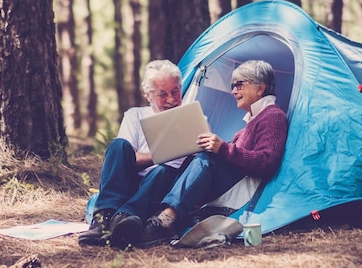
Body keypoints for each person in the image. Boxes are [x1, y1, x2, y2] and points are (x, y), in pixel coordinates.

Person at [136, 59, 288, 248]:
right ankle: (146, 216)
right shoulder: (253, 121)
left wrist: (223, 148)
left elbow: (266, 163)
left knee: (206, 159)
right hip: (230, 183)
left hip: (243, 189)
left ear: (260, 88)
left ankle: (166, 220)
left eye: (240, 84)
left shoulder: (273, 116)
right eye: (233, 85)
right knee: (182, 161)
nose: (234, 90)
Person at [78, 59, 189, 248]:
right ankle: (103, 218)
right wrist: (166, 153)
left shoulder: (192, 119)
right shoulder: (135, 115)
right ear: (148, 95)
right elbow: (129, 157)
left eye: (175, 91)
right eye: (163, 94)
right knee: (118, 145)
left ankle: (124, 217)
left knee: (163, 171)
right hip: (132, 185)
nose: (171, 99)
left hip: (162, 189)